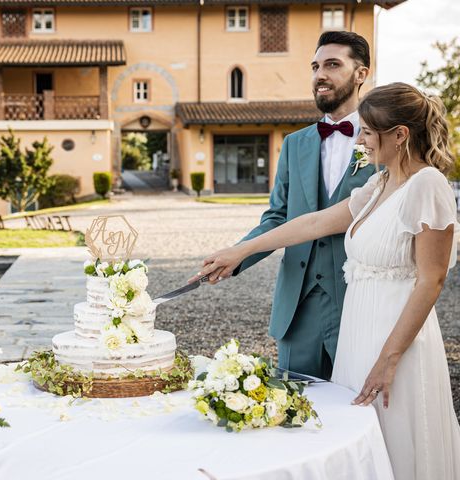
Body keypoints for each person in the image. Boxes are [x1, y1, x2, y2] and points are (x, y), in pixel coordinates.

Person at [193, 82, 460, 480]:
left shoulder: (428, 185)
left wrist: (388, 360)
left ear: (400, 135)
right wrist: (241, 251)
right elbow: (314, 223)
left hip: (397, 341)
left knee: (397, 440)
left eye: (369, 132)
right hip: (359, 332)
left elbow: (431, 280)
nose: (362, 140)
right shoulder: (380, 183)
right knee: (357, 440)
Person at [221, 31, 374, 379]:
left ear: (361, 74)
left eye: (333, 65)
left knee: (360, 409)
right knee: (295, 412)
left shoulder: (386, 138)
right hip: (298, 304)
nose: (320, 75)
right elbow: (277, 216)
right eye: (315, 66)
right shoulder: (294, 144)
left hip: (360, 300)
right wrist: (236, 256)